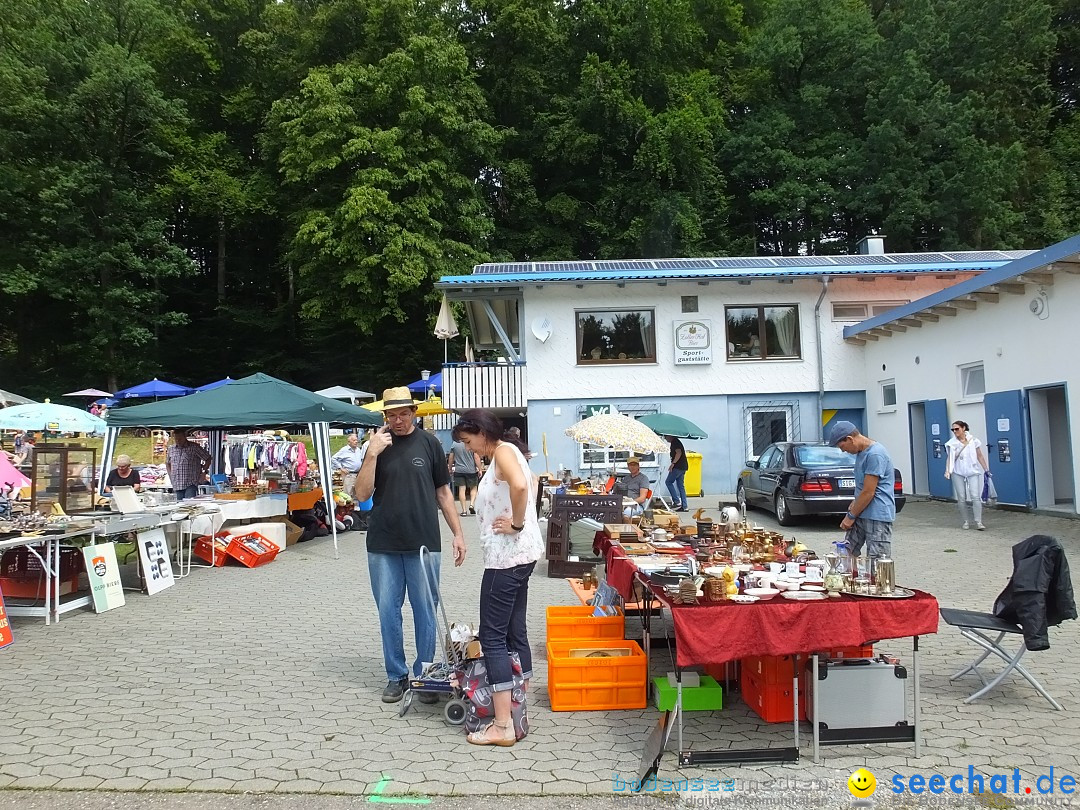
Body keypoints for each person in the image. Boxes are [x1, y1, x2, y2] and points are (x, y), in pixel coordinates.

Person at [354, 386, 466, 704]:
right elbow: (361, 494)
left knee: (425, 611)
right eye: (392, 415)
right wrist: (372, 452)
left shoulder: (430, 444)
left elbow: (444, 494)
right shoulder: (376, 446)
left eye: (404, 413)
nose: (399, 420)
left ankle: (426, 674)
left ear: (414, 413)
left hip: (424, 543)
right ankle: (397, 676)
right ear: (385, 416)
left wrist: (458, 534)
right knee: (388, 611)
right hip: (383, 543)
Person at [451, 409, 544, 747]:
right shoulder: (510, 451)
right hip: (520, 556)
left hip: (506, 559)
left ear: (482, 431)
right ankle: (518, 706)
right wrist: (524, 518)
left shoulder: (503, 451)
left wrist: (517, 523)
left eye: (469, 441)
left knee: (492, 637)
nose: (470, 449)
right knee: (513, 629)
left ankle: (503, 724)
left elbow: (522, 485)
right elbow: (530, 483)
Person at [828, 421, 895, 563]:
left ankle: (877, 584)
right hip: (861, 511)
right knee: (846, 552)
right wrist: (854, 503)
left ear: (850, 439)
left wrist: (850, 516)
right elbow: (862, 487)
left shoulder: (875, 454)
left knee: (877, 562)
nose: (843, 451)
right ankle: (845, 581)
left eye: (842, 446)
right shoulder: (861, 452)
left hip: (877, 516)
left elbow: (869, 492)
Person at [945, 420, 990, 530]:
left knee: (975, 496)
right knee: (961, 497)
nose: (955, 431)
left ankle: (978, 522)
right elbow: (950, 458)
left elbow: (979, 455)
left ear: (963, 428)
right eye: (953, 429)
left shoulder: (973, 440)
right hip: (957, 472)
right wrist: (947, 471)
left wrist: (986, 469)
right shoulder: (952, 443)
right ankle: (966, 521)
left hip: (972, 471)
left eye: (957, 429)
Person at [165, 429, 210, 500]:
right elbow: (167, 463)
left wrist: (204, 472)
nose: (178, 441)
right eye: (176, 439)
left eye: (180, 439)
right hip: (177, 483)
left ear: (185, 437)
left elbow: (208, 458)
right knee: (179, 507)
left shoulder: (194, 447)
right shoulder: (171, 449)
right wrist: (170, 475)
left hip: (191, 483)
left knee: (189, 506)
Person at [448, 437, 482, 516]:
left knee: (461, 489)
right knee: (473, 488)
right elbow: (476, 457)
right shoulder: (470, 443)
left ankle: (464, 511)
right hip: (471, 470)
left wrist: (450, 468)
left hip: (459, 470)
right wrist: (480, 469)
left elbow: (451, 457)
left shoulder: (454, 444)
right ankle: (472, 504)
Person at [331, 432, 365, 499]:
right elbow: (334, 458)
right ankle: (348, 508)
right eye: (354, 440)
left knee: (357, 493)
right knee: (348, 494)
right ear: (349, 442)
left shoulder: (358, 450)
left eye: (356, 440)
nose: (356, 442)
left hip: (358, 474)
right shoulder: (344, 450)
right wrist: (341, 468)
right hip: (349, 474)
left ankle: (356, 508)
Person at [665, 435, 689, 512]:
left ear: (670, 436)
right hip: (683, 467)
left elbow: (678, 453)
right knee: (680, 486)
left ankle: (676, 501)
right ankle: (685, 506)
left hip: (678, 467)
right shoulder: (676, 442)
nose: (665, 438)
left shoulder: (675, 442)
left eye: (665, 436)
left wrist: (673, 464)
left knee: (668, 482)